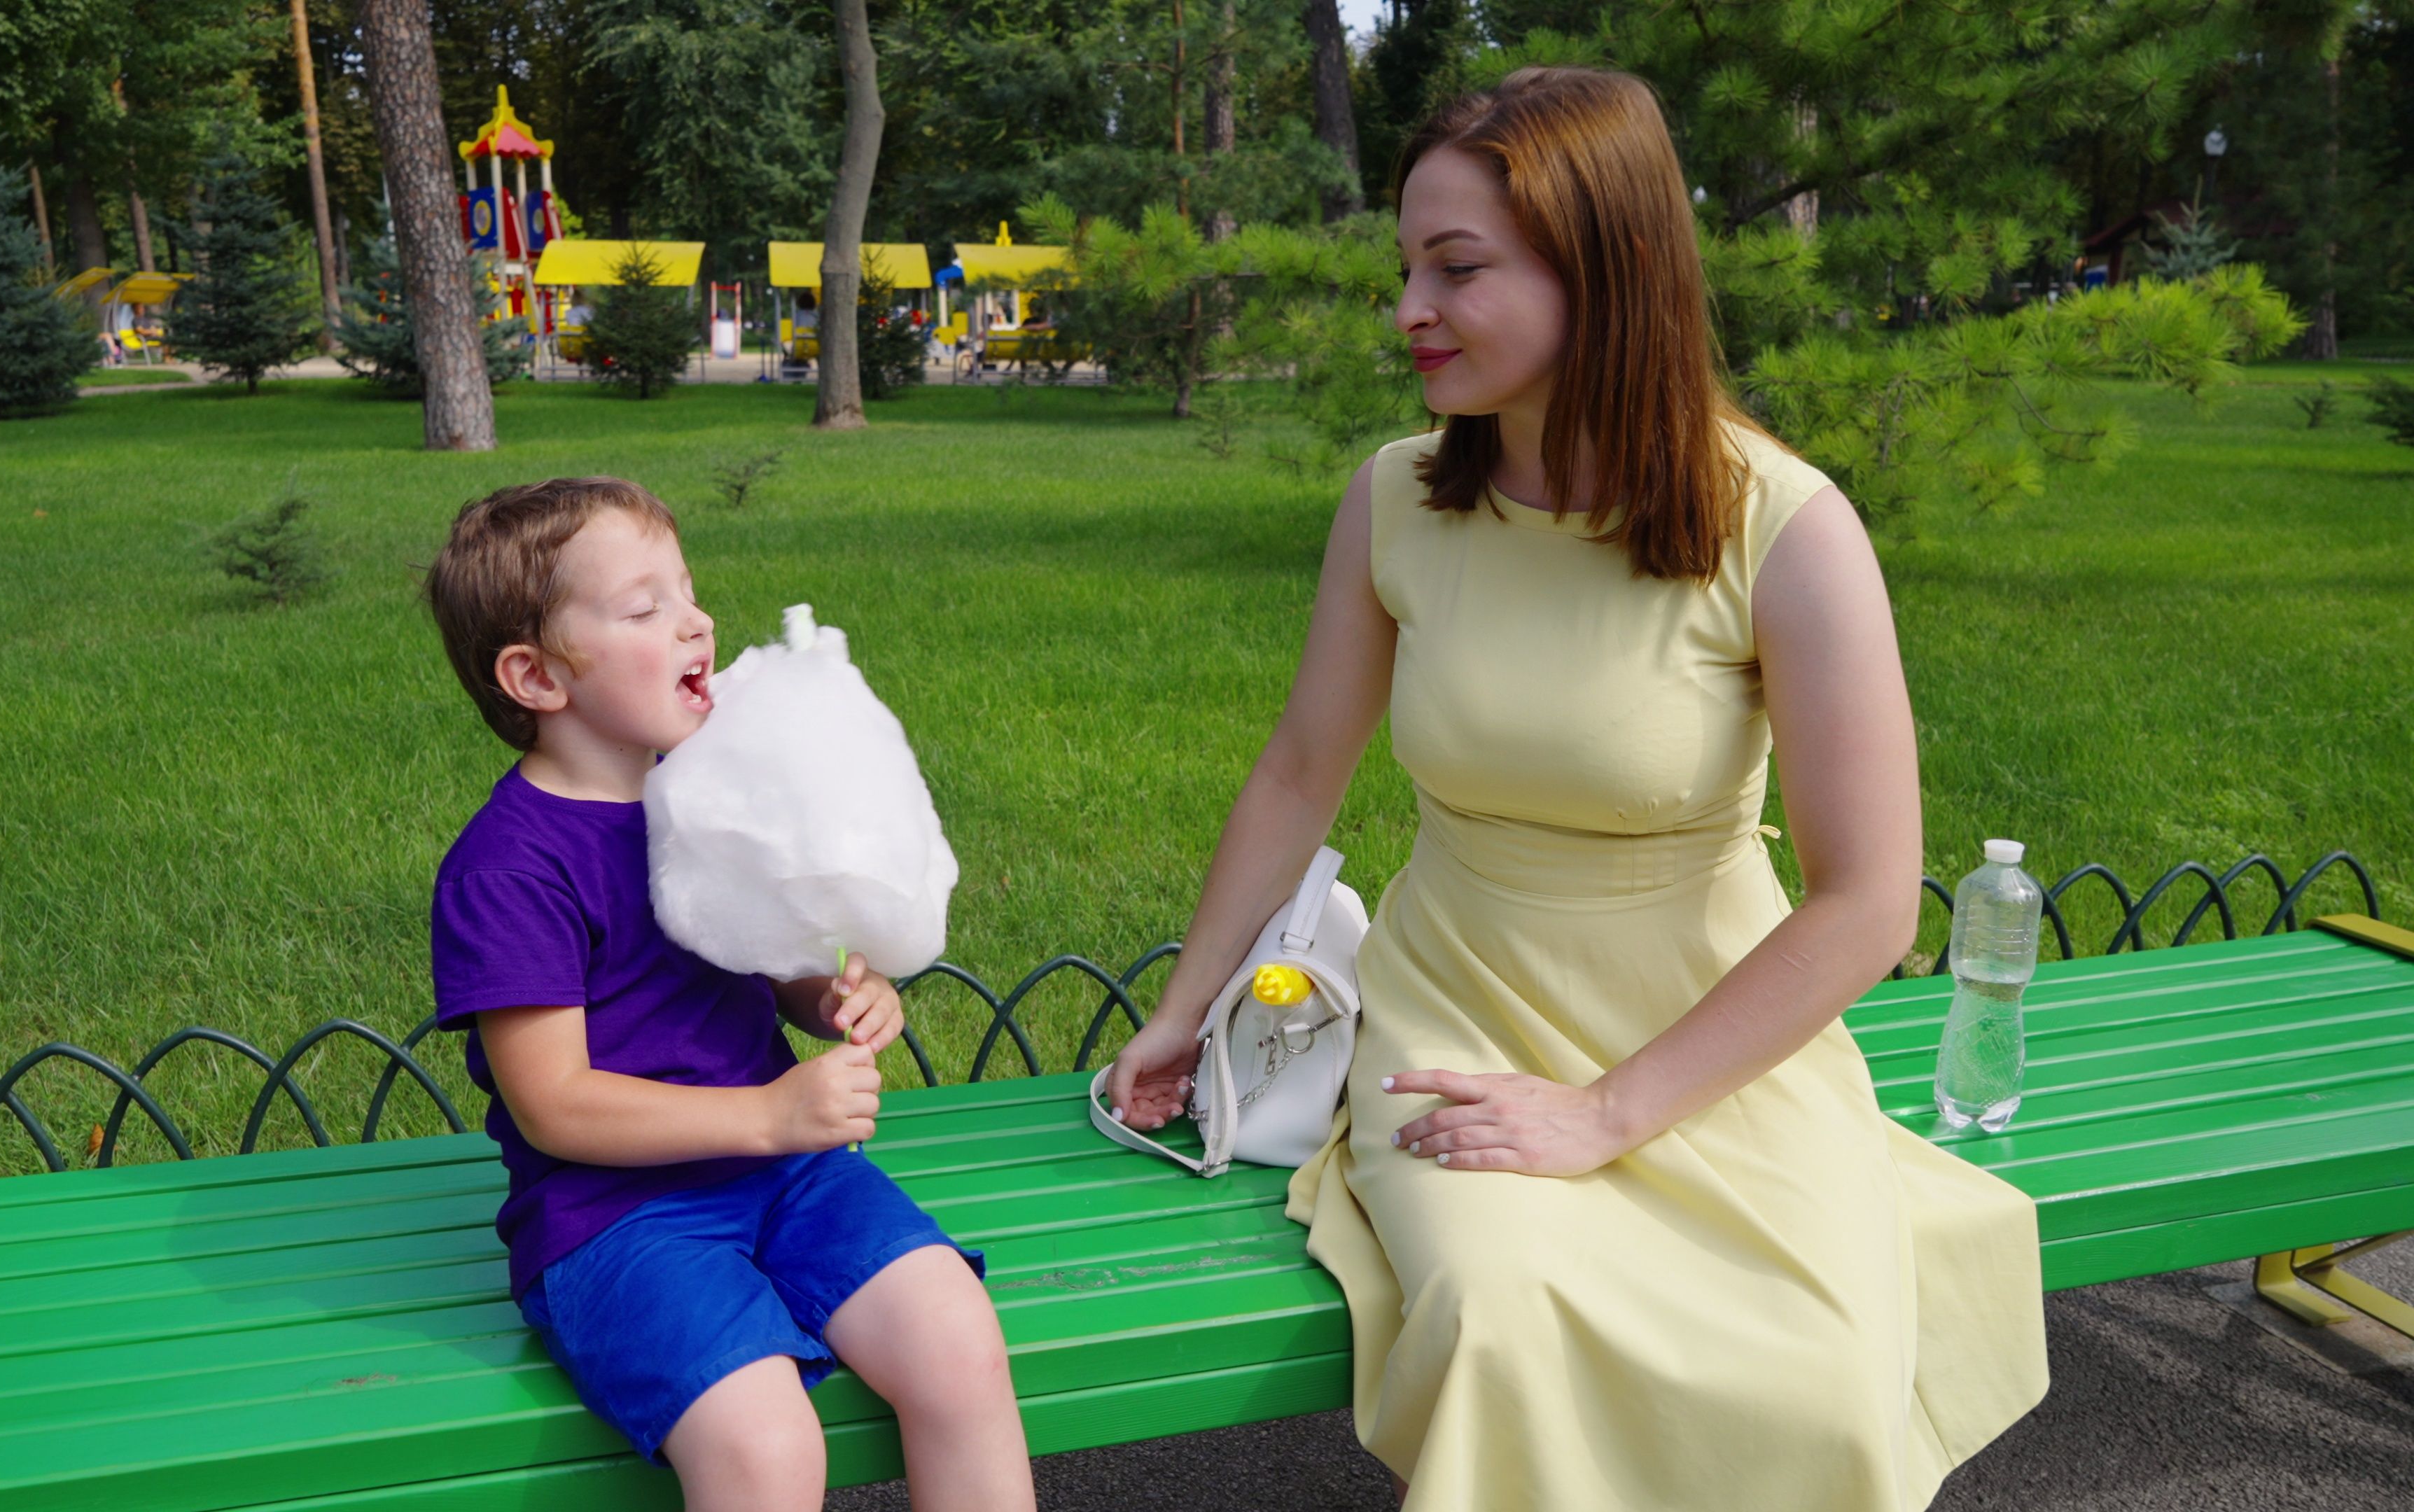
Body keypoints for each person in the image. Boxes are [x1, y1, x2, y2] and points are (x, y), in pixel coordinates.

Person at [1104, 67, 2047, 1511]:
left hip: (1713, 1039)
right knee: (1506, 1317)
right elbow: (1301, 771)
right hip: (1459, 1018)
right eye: (1406, 266)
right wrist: (1184, 1011)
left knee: (1816, 1365)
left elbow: (1867, 903)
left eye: (1457, 269)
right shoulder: (1396, 495)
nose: (1407, 307)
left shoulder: (1785, 527)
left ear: (1605, 269)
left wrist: (1611, 1112)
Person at [421, 477, 1035, 1512]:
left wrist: (835, 994)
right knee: (765, 1445)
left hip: (789, 1175)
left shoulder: (710, 794)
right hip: (617, 1219)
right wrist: (765, 1113)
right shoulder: (508, 868)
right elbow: (554, 1103)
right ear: (534, 676)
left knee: (959, 1342)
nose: (697, 620)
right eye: (644, 606)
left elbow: (765, 961)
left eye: (690, 591)